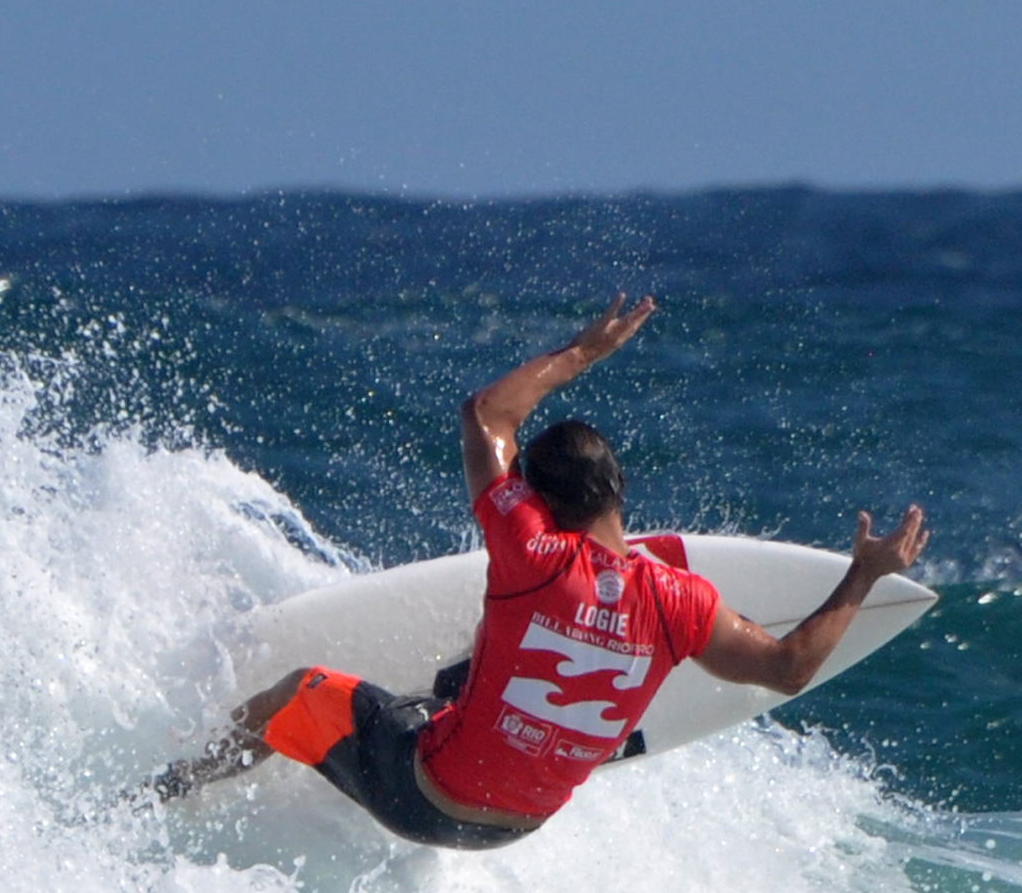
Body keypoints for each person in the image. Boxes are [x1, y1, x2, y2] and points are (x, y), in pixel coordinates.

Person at [157, 294, 930, 848]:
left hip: (423, 797)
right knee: (480, 662)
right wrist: (863, 575)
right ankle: (445, 704)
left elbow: (486, 415)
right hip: (517, 827)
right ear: (619, 489)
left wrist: (583, 353)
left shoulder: (530, 553)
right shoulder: (683, 603)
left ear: (542, 506)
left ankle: (167, 792)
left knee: (300, 691)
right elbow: (790, 668)